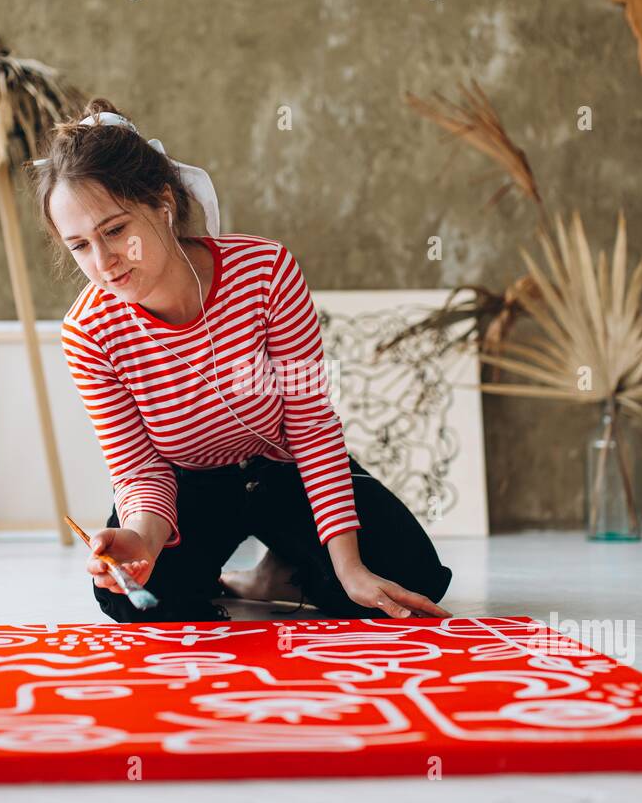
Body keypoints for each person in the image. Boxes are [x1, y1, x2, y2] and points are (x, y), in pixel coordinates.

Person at [31, 98, 453, 623]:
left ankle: (278, 573)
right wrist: (140, 539)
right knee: (130, 597)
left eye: (115, 231)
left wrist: (349, 568)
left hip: (282, 468)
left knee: (408, 580)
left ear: (162, 202)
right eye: (79, 246)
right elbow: (141, 469)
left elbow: (310, 424)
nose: (103, 262)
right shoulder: (88, 332)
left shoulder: (266, 272)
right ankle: (243, 574)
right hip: (188, 487)